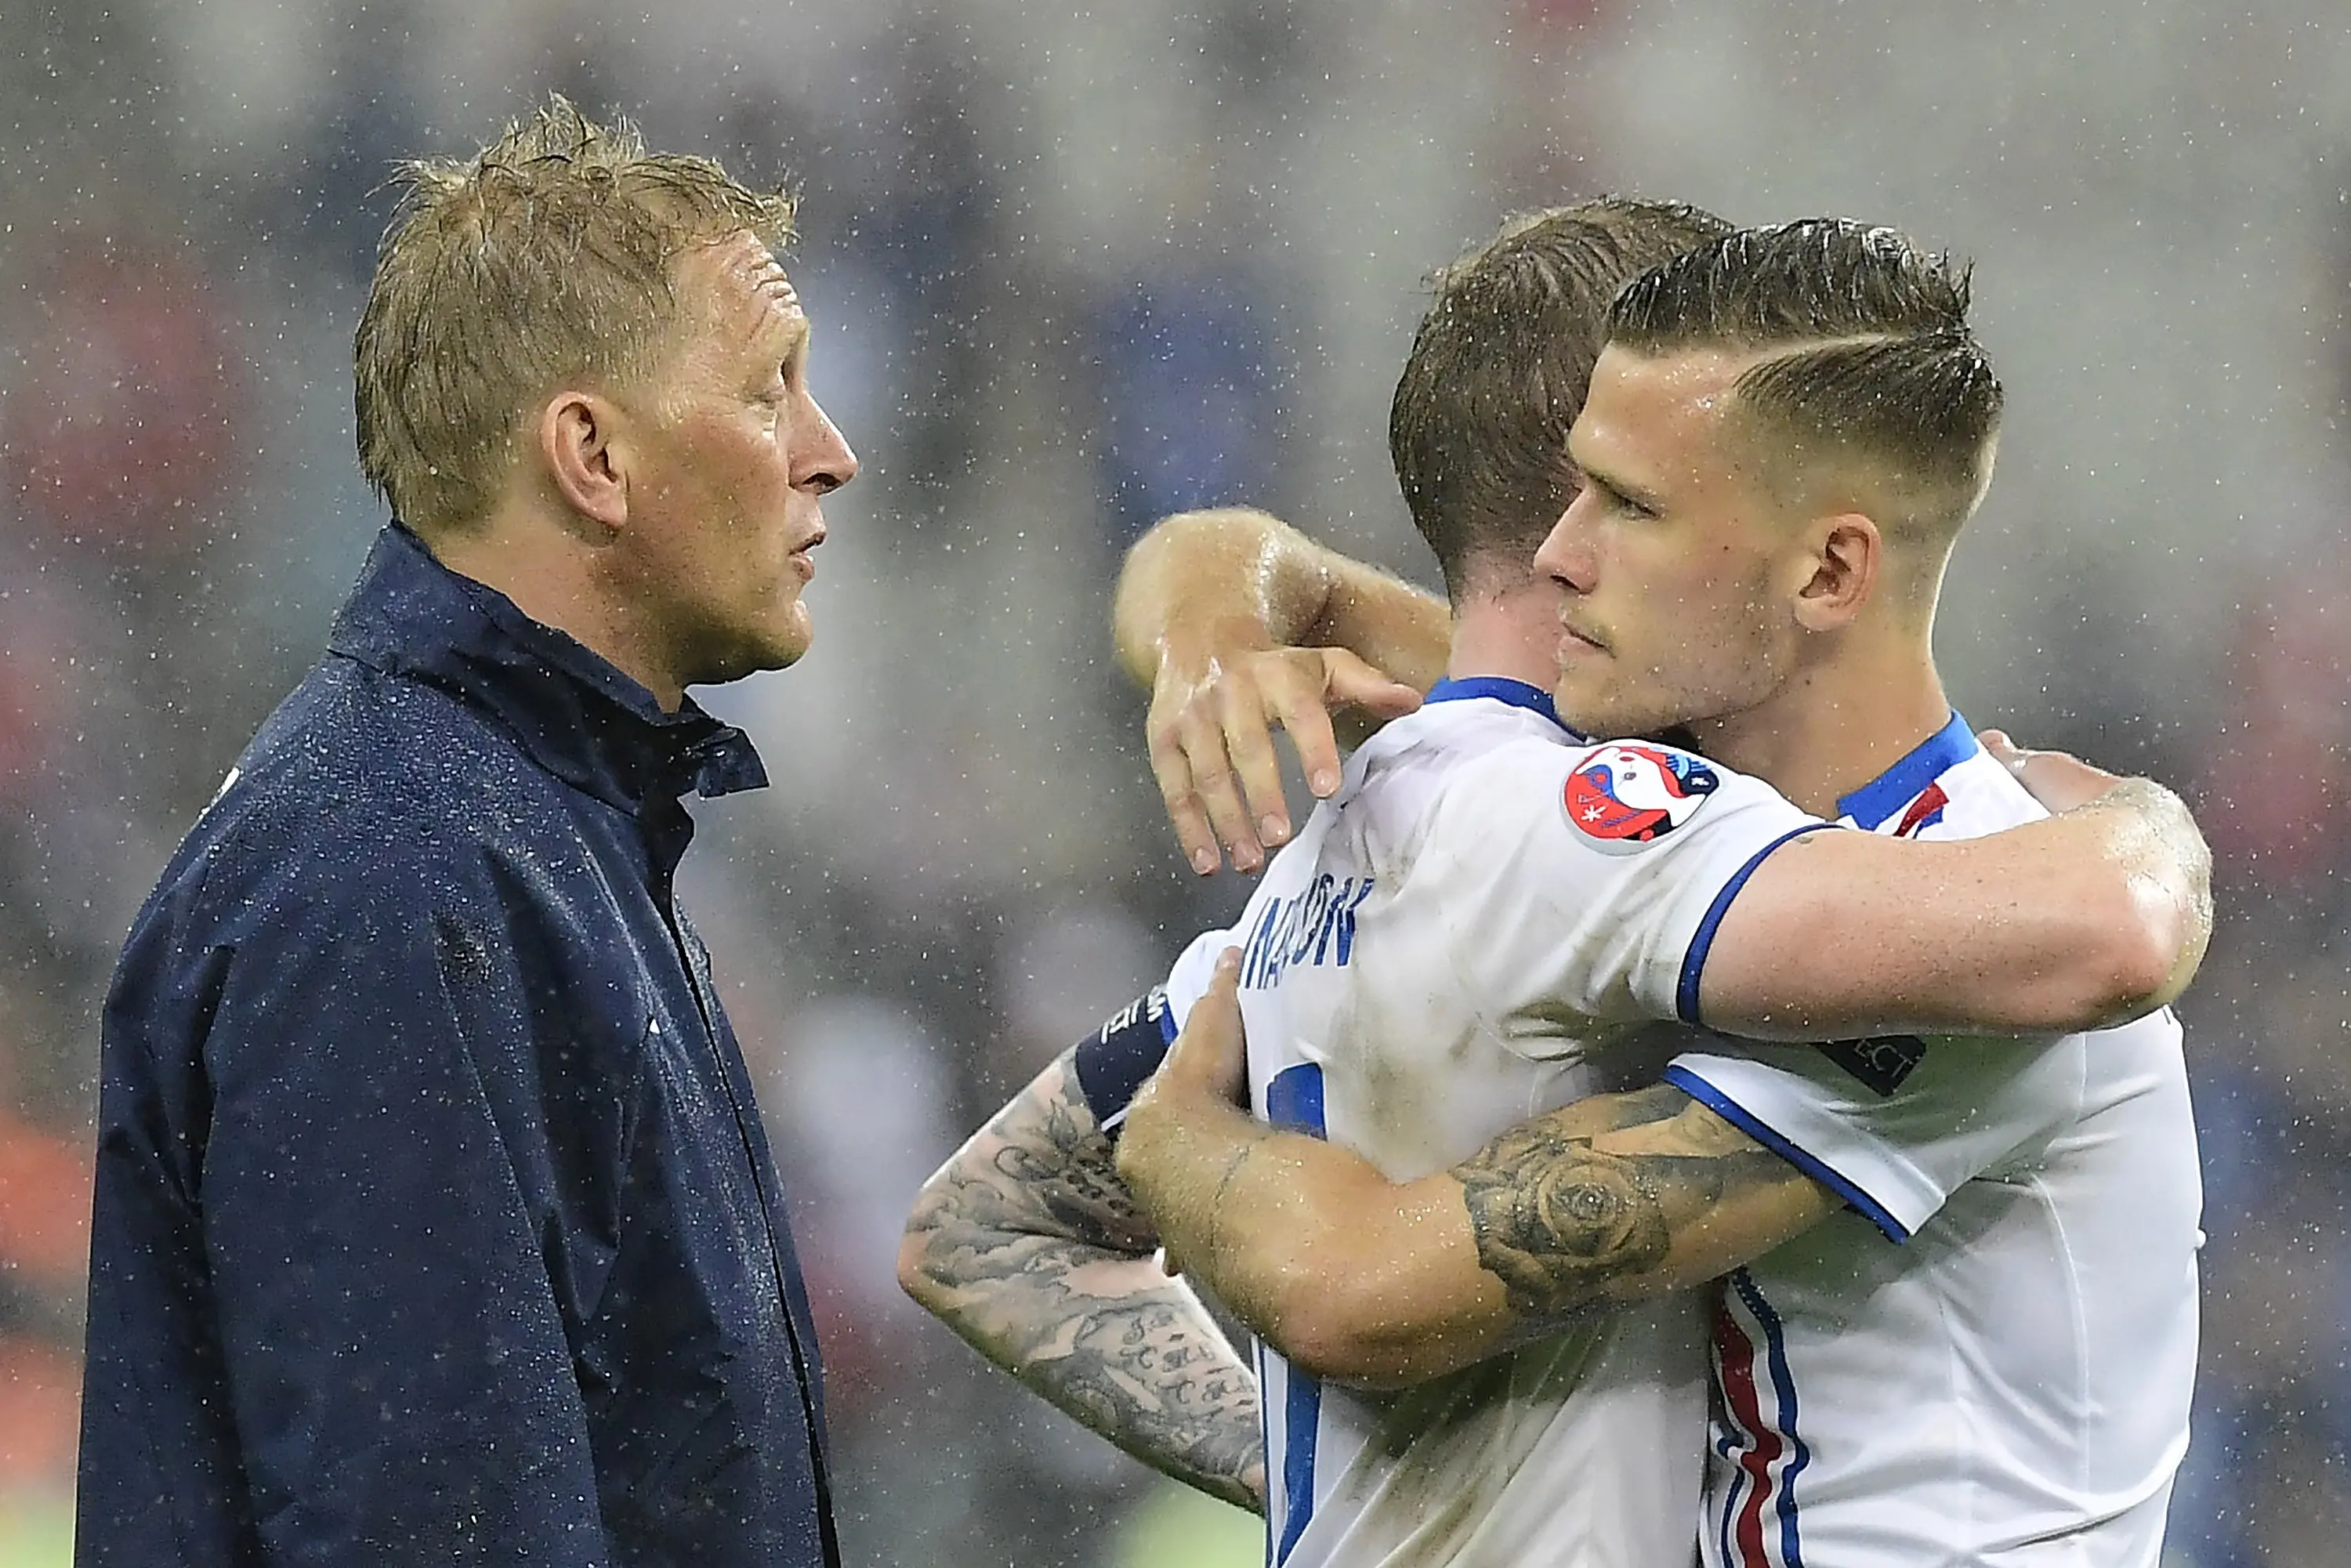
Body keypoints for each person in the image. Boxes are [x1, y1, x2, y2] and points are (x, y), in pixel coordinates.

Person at [900, 205, 2209, 1565]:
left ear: (1828, 567)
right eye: (1571, 487)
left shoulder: (1969, 949)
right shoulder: (1651, 864)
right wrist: (1213, 616)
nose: (1561, 551)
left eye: (1629, 504)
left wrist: (1179, 1145)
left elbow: (1350, 1286)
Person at [78, 98, 857, 1566]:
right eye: (769, 387)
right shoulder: (394, 875)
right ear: (594, 456)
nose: (829, 452)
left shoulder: (529, 825)